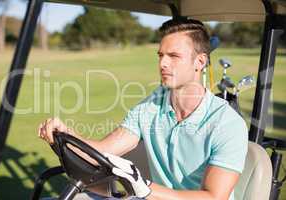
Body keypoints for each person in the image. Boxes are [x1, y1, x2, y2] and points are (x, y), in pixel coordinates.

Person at [38, 18, 248, 200]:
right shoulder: (150, 107)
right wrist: (66, 134)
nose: (163, 63)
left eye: (174, 56)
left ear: (199, 62)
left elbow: (213, 196)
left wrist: (145, 188)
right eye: (160, 55)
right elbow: (101, 153)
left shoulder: (227, 123)